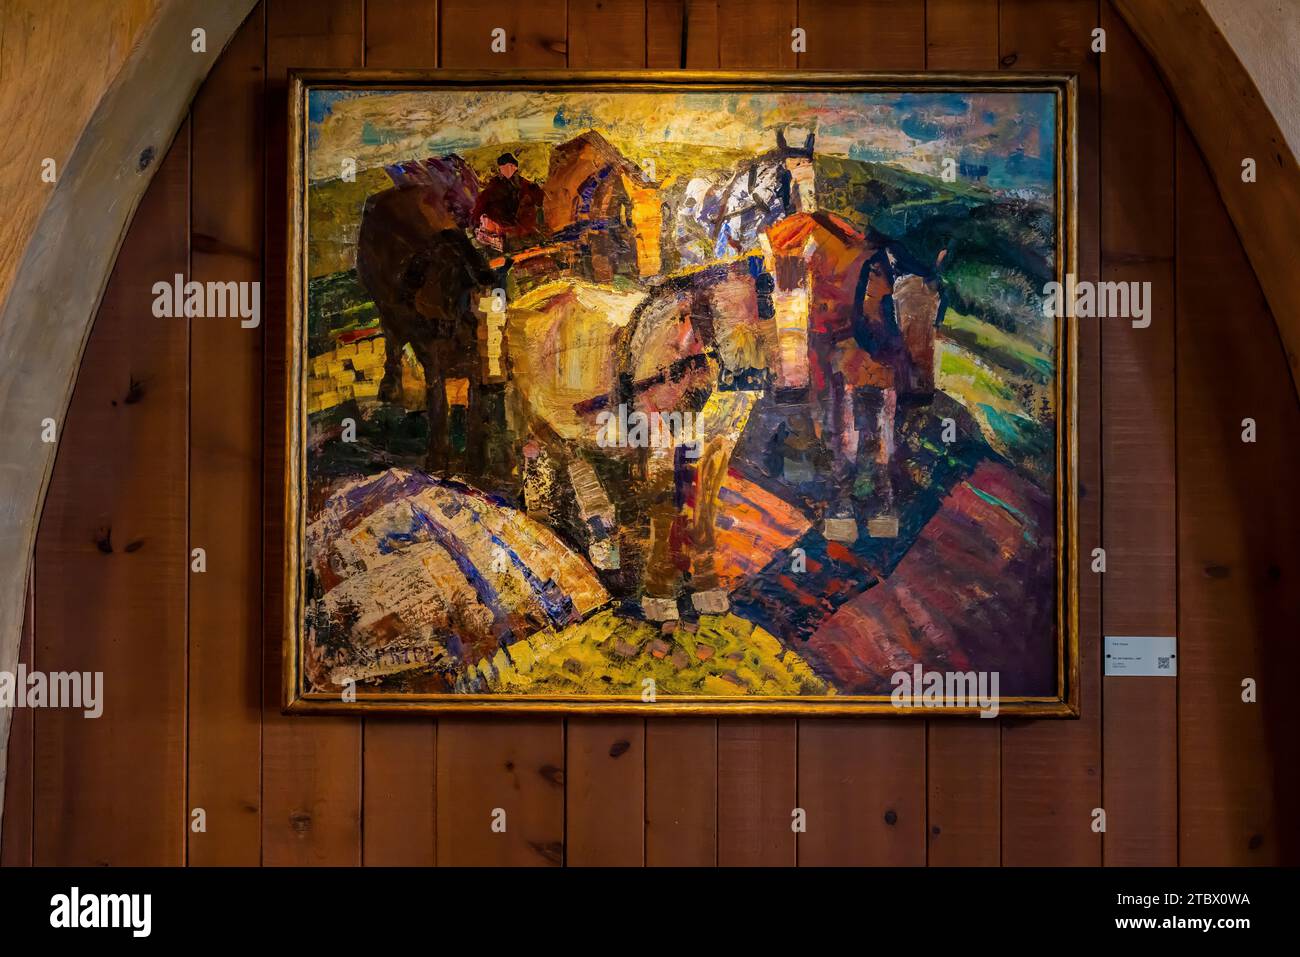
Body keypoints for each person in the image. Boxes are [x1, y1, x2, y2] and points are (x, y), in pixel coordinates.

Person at [471, 152, 544, 251]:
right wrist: (475, 219)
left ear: (515, 167)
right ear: (500, 169)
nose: (507, 170)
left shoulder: (524, 183)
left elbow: (538, 198)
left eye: (510, 166)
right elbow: (482, 201)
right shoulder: (495, 185)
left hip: (516, 223)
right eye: (503, 167)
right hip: (504, 221)